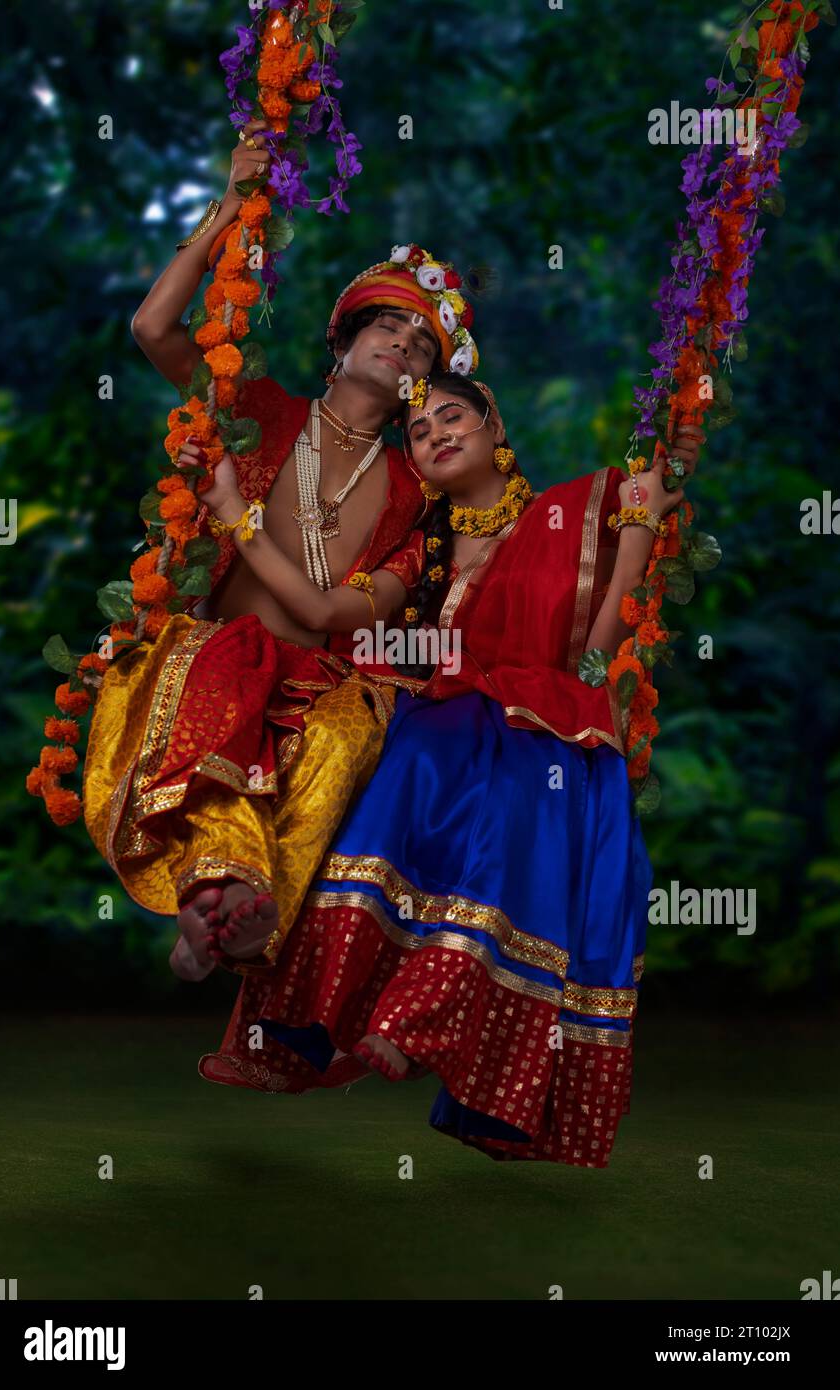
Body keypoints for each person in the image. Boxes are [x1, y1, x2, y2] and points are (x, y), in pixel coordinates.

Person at [196, 368, 704, 1168]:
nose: (433, 432)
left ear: (495, 426)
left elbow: (616, 619)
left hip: (551, 720)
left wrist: (639, 534)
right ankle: (232, 926)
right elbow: (330, 616)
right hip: (443, 712)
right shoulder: (415, 548)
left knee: (510, 794)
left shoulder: (573, 510)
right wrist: (234, 516)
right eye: (418, 429)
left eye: (452, 415)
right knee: (386, 756)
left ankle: (415, 1021)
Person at [81, 116, 483, 980]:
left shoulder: (420, 499)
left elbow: (328, 612)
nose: (402, 345)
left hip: (319, 685)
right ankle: (222, 900)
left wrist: (236, 516)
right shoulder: (258, 408)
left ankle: (234, 916)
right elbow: (154, 330)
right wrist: (232, 201)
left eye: (422, 346)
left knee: (349, 732)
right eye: (388, 327)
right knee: (227, 663)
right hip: (209, 656)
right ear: (340, 341)